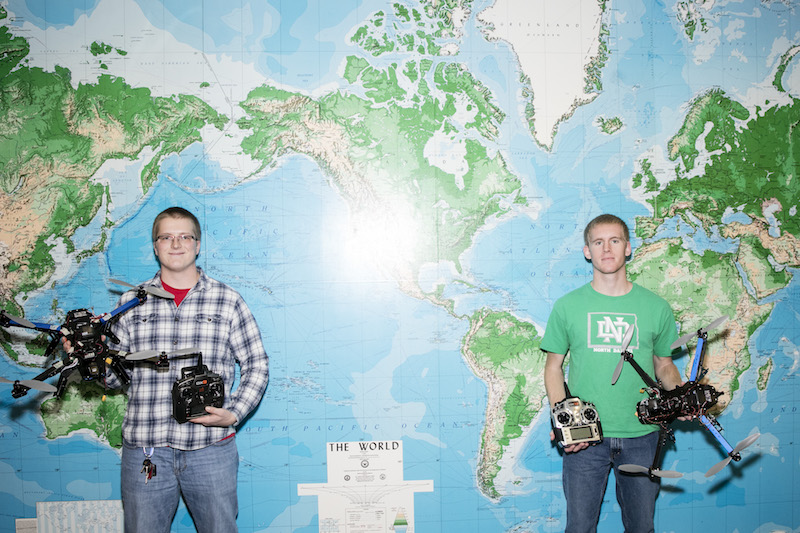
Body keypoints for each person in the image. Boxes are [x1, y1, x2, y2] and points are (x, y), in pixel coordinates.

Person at [92, 206, 268, 532]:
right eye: (166, 237)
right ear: (155, 246)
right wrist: (91, 358)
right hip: (146, 449)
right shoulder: (130, 303)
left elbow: (257, 364)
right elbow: (114, 377)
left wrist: (234, 413)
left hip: (210, 448)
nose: (176, 244)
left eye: (185, 236)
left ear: (197, 245)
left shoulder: (227, 300)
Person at [541, 214, 683, 533]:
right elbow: (552, 367)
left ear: (627, 248)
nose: (607, 249)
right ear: (587, 251)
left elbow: (664, 365)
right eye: (598, 242)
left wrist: (680, 396)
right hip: (585, 437)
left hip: (643, 436)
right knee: (579, 528)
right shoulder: (567, 306)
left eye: (614, 240)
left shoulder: (656, 307)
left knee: (641, 527)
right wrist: (566, 422)